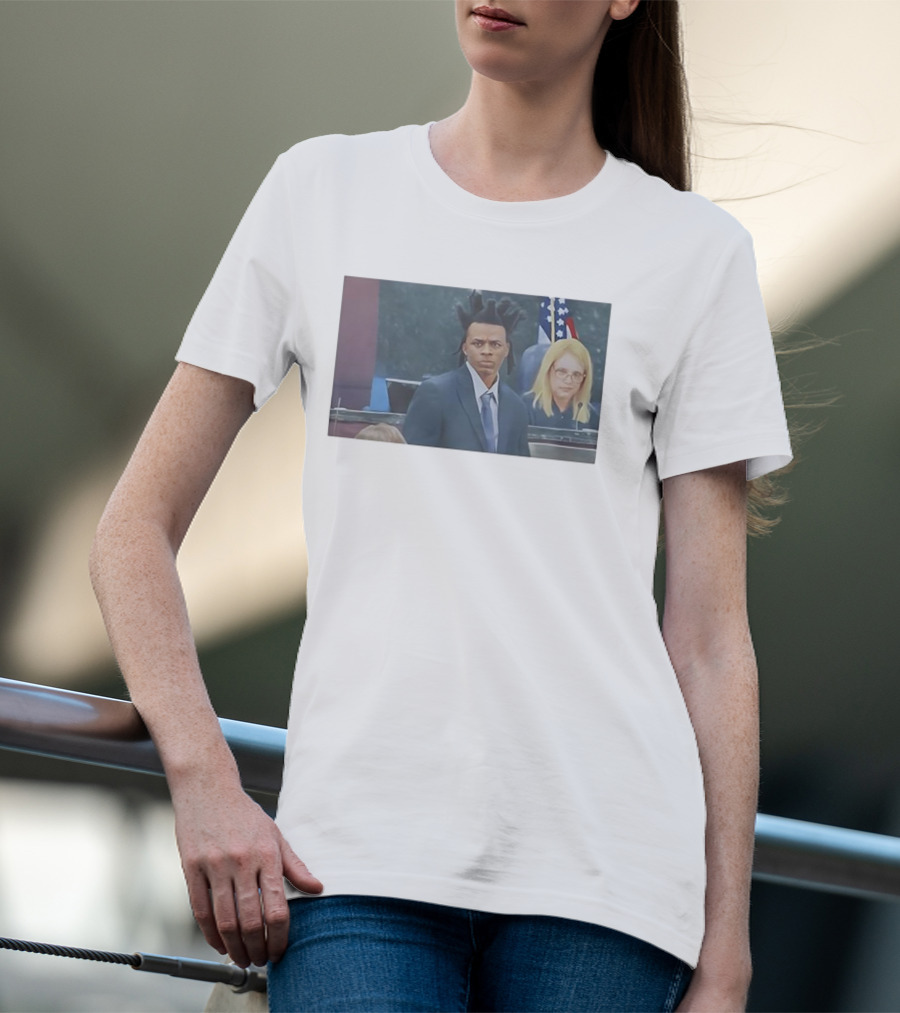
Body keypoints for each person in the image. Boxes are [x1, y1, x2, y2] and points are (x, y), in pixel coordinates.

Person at [89, 2, 793, 1011]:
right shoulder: (322, 191)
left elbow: (713, 642)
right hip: (349, 865)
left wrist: (726, 957)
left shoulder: (695, 253)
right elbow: (132, 530)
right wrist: (204, 778)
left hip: (609, 886)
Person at [403, 290, 531, 456]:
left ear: (506, 350)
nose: (486, 351)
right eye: (478, 343)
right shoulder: (435, 394)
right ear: (465, 348)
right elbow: (413, 459)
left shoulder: (516, 407)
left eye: (495, 345)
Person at [527, 336, 599, 429]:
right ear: (548, 370)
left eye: (576, 374)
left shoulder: (591, 416)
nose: (569, 381)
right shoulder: (525, 408)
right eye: (562, 372)